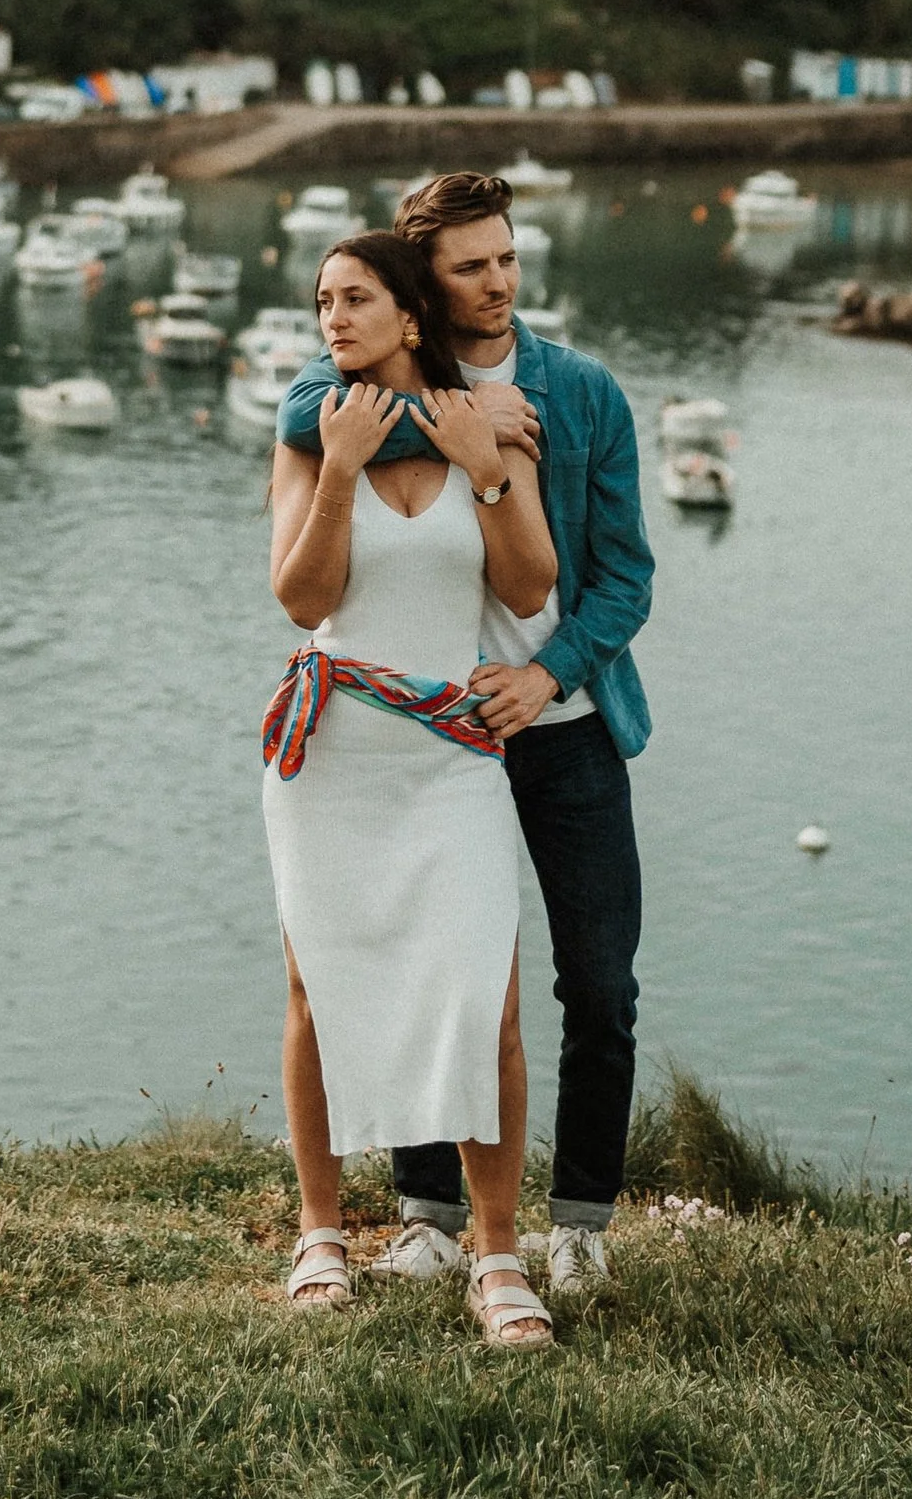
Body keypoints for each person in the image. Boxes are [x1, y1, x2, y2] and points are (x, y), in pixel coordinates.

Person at [282, 170, 653, 1300]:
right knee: (425, 966)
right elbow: (301, 418)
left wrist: (544, 679)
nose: (497, 284)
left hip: (560, 722)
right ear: (420, 288)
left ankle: (579, 1222)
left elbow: (625, 578)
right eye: (470, 267)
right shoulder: (355, 380)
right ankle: (430, 1214)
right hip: (427, 731)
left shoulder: (578, 394)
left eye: (507, 259)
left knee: (597, 984)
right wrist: (441, 414)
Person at [262, 227, 560, 1343]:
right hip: (331, 752)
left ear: (409, 313)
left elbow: (531, 589)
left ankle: (496, 1258)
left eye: (354, 299)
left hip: (450, 761)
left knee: (488, 1002)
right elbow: (301, 598)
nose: (332, 319)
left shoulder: (489, 430)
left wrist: (487, 473)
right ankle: (320, 1232)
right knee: (315, 990)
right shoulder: (307, 437)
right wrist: (336, 469)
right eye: (323, 302)